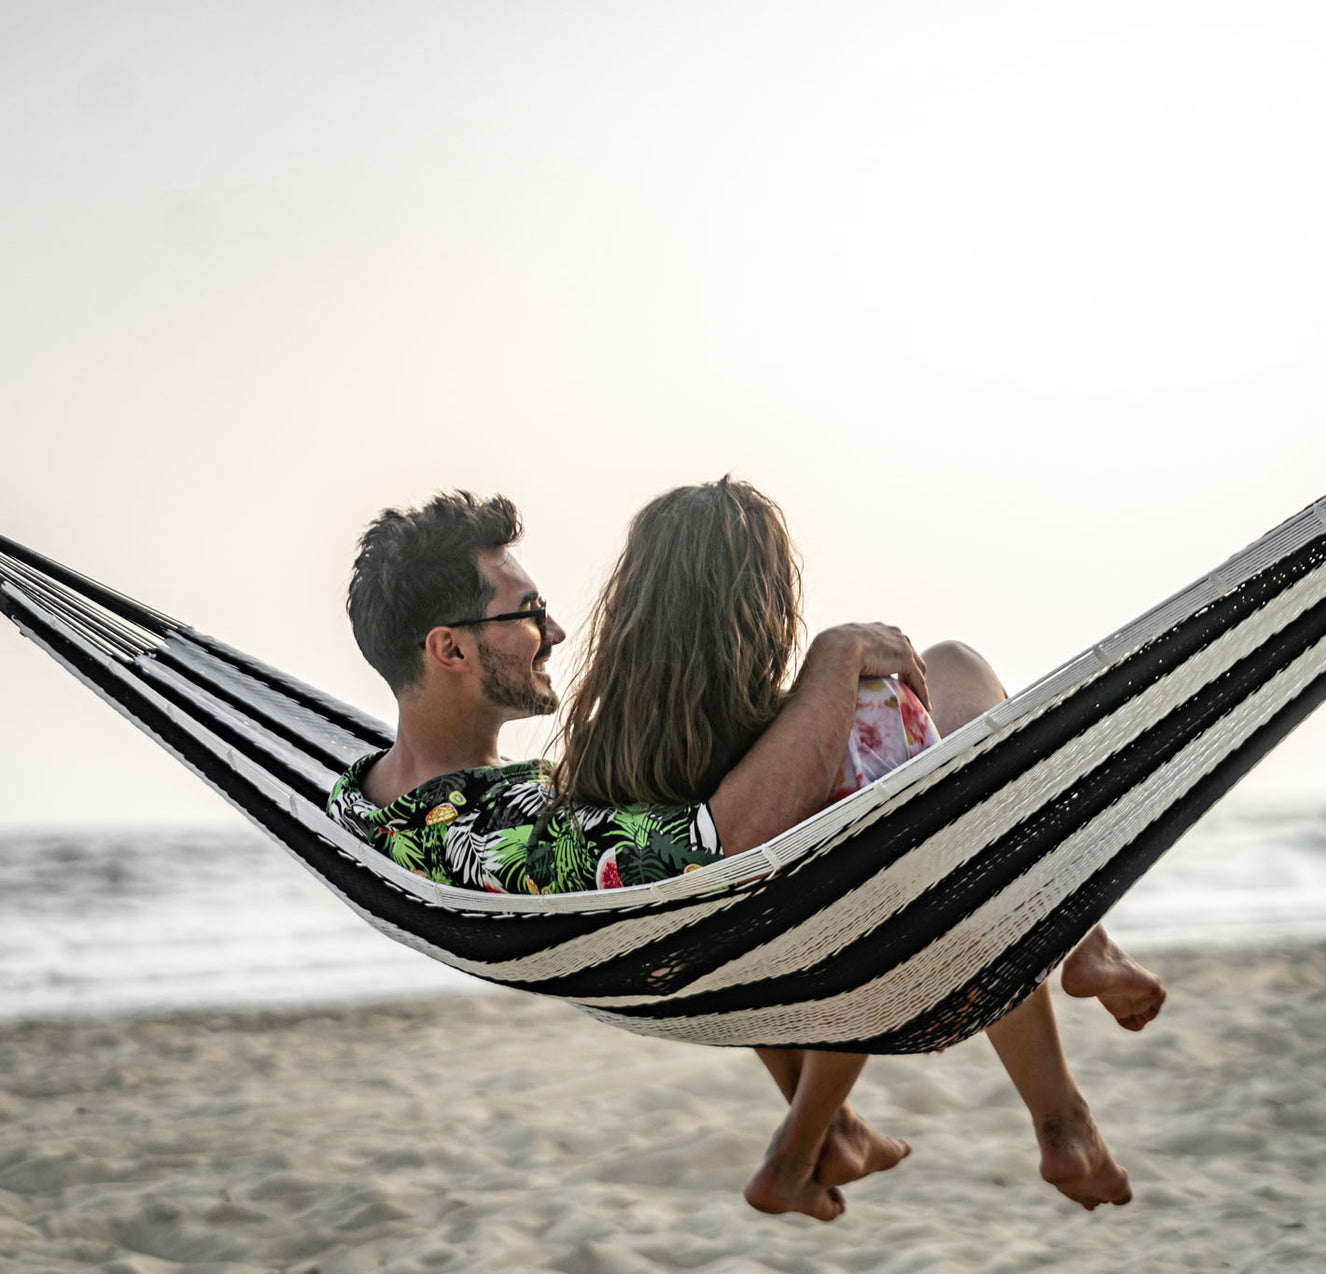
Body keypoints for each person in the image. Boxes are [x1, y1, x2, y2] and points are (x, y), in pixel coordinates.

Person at [328, 486, 1165, 1220]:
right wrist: (834, 659)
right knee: (938, 723)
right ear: (449, 649)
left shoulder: (360, 797)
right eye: (523, 612)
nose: (552, 630)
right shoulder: (517, 832)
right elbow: (729, 845)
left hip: (716, 961)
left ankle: (842, 1128)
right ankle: (1071, 1003)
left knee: (914, 708)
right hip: (754, 943)